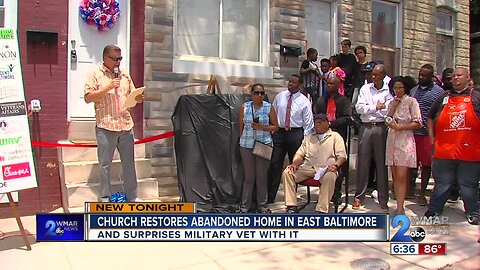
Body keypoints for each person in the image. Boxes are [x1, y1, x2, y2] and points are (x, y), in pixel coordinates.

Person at [84, 44, 144, 202]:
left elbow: (132, 93)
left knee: (129, 164)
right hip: (106, 126)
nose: (118, 62)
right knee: (105, 165)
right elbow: (88, 97)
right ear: (105, 58)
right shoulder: (95, 74)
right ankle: (105, 197)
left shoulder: (124, 75)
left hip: (125, 125)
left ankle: (132, 197)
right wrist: (107, 87)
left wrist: (137, 98)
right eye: (115, 59)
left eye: (120, 59)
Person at [426, 67, 480, 225]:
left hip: (470, 151)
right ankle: (434, 209)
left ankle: (473, 212)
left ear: (467, 78)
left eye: (459, 75)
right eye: (454, 76)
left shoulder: (476, 97)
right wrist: (431, 139)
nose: (455, 78)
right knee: (442, 183)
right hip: (444, 150)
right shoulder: (443, 97)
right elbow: (429, 117)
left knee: (468, 185)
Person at [283, 113, 346, 213]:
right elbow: (299, 154)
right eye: (316, 123)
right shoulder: (308, 137)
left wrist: (336, 165)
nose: (317, 125)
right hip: (307, 168)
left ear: (327, 124)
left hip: (326, 169)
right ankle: (291, 206)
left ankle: (321, 210)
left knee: (330, 176)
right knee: (288, 172)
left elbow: (342, 156)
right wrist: (294, 163)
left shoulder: (335, 136)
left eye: (320, 122)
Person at [268, 75, 314, 203]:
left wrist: (306, 141)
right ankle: (270, 196)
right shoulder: (280, 96)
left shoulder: (304, 101)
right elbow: (273, 113)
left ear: (299, 85)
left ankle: (291, 197)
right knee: (275, 163)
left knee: (294, 166)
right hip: (280, 133)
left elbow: (308, 123)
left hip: (295, 133)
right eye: (289, 81)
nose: (290, 84)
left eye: (293, 82)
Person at [353, 64, 393, 212]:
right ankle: (359, 197)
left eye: (376, 74)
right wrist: (375, 107)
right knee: (363, 163)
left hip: (381, 127)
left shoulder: (388, 90)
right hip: (366, 127)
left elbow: (388, 110)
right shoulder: (365, 89)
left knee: (381, 163)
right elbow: (359, 108)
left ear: (383, 75)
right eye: (372, 74)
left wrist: (375, 108)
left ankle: (383, 199)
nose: (373, 77)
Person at [239, 84, 279, 213]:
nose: (260, 95)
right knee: (249, 177)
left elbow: (276, 127)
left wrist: (263, 128)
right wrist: (242, 139)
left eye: (262, 93)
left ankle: (262, 205)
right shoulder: (244, 107)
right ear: (252, 94)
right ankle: (245, 206)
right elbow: (240, 127)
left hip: (263, 143)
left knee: (262, 177)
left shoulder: (268, 107)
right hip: (247, 145)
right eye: (257, 93)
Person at [385, 76, 422, 215]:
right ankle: (398, 204)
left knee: (402, 175)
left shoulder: (412, 102)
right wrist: (392, 108)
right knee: (394, 175)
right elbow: (387, 120)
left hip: (405, 139)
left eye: (400, 87)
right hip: (392, 139)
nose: (398, 90)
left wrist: (400, 127)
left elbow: (418, 122)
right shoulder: (391, 102)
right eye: (395, 88)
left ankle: (401, 207)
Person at [409, 64, 445, 206]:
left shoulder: (439, 93)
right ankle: (409, 190)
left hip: (426, 134)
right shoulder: (413, 90)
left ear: (431, 77)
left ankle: (422, 193)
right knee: (411, 164)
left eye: (424, 75)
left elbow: (440, 113)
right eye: (420, 74)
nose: (421, 77)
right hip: (411, 133)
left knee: (426, 165)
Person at [314, 76, 352, 205]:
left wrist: (330, 124)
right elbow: (316, 116)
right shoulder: (320, 100)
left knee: (338, 167)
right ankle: (324, 193)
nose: (329, 85)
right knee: (323, 164)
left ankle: (336, 194)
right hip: (322, 138)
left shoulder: (344, 101)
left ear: (338, 85)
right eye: (327, 83)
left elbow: (347, 118)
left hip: (338, 137)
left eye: (332, 83)